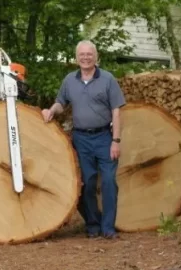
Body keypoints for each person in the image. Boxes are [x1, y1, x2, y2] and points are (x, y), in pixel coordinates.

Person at [41, 40, 126, 239]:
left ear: (96, 57)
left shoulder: (108, 79)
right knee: (86, 183)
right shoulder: (70, 80)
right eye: (82, 54)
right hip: (81, 139)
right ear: (76, 57)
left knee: (108, 182)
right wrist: (51, 110)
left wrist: (116, 141)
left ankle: (108, 228)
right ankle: (93, 225)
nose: (86, 58)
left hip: (104, 136)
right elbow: (61, 103)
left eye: (89, 54)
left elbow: (116, 111)